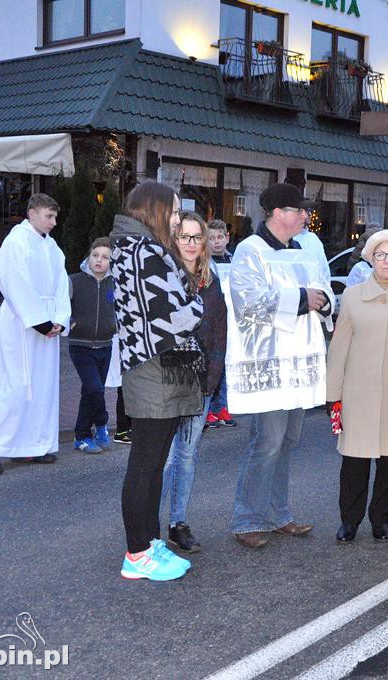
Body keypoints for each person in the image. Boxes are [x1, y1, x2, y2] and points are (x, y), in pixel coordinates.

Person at [228, 183, 335, 548]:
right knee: (268, 441)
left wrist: (325, 301)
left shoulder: (305, 249)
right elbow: (248, 302)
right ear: (276, 213)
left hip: (300, 359)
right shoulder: (250, 250)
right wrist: (303, 299)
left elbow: (325, 287)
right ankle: (246, 519)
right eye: (297, 210)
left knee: (289, 440)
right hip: (269, 360)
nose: (304, 216)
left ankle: (278, 514)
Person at [111, 181, 203, 581]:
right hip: (155, 366)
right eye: (175, 210)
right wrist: (198, 304)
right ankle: (137, 553)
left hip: (161, 364)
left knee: (152, 464)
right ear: (154, 209)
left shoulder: (135, 248)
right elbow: (171, 315)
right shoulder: (143, 251)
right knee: (146, 464)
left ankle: (148, 543)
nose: (178, 218)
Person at [326, 230, 388, 543]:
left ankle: (381, 519)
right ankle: (349, 520)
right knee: (354, 459)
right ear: (370, 258)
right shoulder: (353, 296)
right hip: (358, 391)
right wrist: (332, 394)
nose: (387, 260)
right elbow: (339, 349)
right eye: (381, 254)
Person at [0, 193, 71, 475]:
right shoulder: (16, 242)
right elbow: (14, 281)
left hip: (48, 325)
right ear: (32, 213)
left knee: (42, 387)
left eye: (55, 217)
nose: (53, 222)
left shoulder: (53, 247)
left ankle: (31, 446)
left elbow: (62, 286)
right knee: (18, 383)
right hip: (21, 322)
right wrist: (39, 321)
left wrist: (60, 321)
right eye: (48, 216)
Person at [161, 212, 228, 554]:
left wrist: (211, 381)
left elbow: (219, 334)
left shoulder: (211, 282)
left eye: (196, 237)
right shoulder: (161, 276)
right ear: (174, 240)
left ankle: (177, 522)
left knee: (186, 456)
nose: (190, 243)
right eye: (184, 237)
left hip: (199, 384)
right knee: (163, 458)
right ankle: (148, 523)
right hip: (163, 383)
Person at [68, 237, 116, 454]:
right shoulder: (74, 281)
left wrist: (116, 324)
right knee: (95, 388)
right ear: (89, 255)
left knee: (90, 391)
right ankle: (102, 423)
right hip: (81, 345)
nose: (99, 260)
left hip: (106, 345)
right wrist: (68, 321)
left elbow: (124, 309)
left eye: (105, 257)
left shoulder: (115, 283)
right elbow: (60, 305)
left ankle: (82, 436)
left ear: (111, 262)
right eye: (95, 255)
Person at [205, 219, 235, 430]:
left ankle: (221, 406)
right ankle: (208, 409)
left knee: (227, 363)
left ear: (227, 238)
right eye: (211, 238)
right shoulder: (205, 262)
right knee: (213, 363)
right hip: (214, 318)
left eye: (220, 237)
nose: (216, 242)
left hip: (232, 316)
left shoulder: (234, 259)